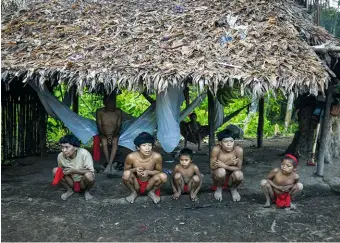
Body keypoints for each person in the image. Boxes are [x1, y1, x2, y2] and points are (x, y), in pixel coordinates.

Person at [122, 132, 168, 204]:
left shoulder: (157, 156)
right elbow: (125, 171)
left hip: (150, 183)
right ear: (138, 147)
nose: (147, 148)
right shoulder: (131, 157)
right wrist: (135, 169)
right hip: (136, 183)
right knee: (126, 174)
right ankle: (134, 193)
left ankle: (151, 192)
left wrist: (148, 172)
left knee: (163, 176)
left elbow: (159, 171)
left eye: (150, 145)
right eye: (144, 145)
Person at [52, 134, 95, 201]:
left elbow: (90, 172)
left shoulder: (84, 154)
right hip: (71, 181)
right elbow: (60, 171)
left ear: (75, 147)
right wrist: (64, 171)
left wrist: (73, 171)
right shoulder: (60, 156)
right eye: (62, 147)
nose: (63, 150)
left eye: (67, 147)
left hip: (82, 183)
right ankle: (69, 190)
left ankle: (87, 191)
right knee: (56, 170)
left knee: (89, 175)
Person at [210, 129, 244, 202]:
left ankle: (233, 189)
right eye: (226, 141)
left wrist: (225, 165)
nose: (229, 144)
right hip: (218, 177)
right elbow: (212, 167)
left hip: (232, 177)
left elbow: (239, 168)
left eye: (231, 141)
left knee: (239, 175)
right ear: (220, 143)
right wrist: (228, 163)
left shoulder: (238, 150)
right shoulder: (216, 149)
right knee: (221, 171)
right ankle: (219, 188)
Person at [96, 93, 122, 174]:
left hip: (114, 133)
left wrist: (114, 134)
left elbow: (119, 125)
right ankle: (109, 163)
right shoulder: (100, 112)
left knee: (115, 140)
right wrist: (105, 135)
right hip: (103, 133)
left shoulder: (118, 111)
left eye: (113, 103)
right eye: (110, 103)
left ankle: (109, 164)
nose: (112, 105)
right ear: (105, 103)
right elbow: (99, 125)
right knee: (104, 141)